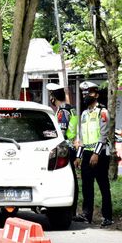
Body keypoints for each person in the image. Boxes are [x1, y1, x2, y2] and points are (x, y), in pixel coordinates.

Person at [74, 81, 113, 227]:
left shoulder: (102, 112)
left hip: (101, 153)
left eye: (89, 93)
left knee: (103, 185)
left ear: (96, 94)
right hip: (87, 152)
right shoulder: (84, 114)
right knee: (86, 186)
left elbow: (103, 135)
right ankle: (86, 215)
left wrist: (96, 154)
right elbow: (83, 138)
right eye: (84, 93)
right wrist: (78, 156)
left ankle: (107, 217)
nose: (86, 96)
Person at [46, 83, 79, 217]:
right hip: (71, 146)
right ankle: (72, 211)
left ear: (53, 97)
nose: (50, 99)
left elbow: (61, 132)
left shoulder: (63, 110)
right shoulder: (71, 109)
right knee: (73, 179)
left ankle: (69, 211)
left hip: (65, 148)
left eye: (51, 96)